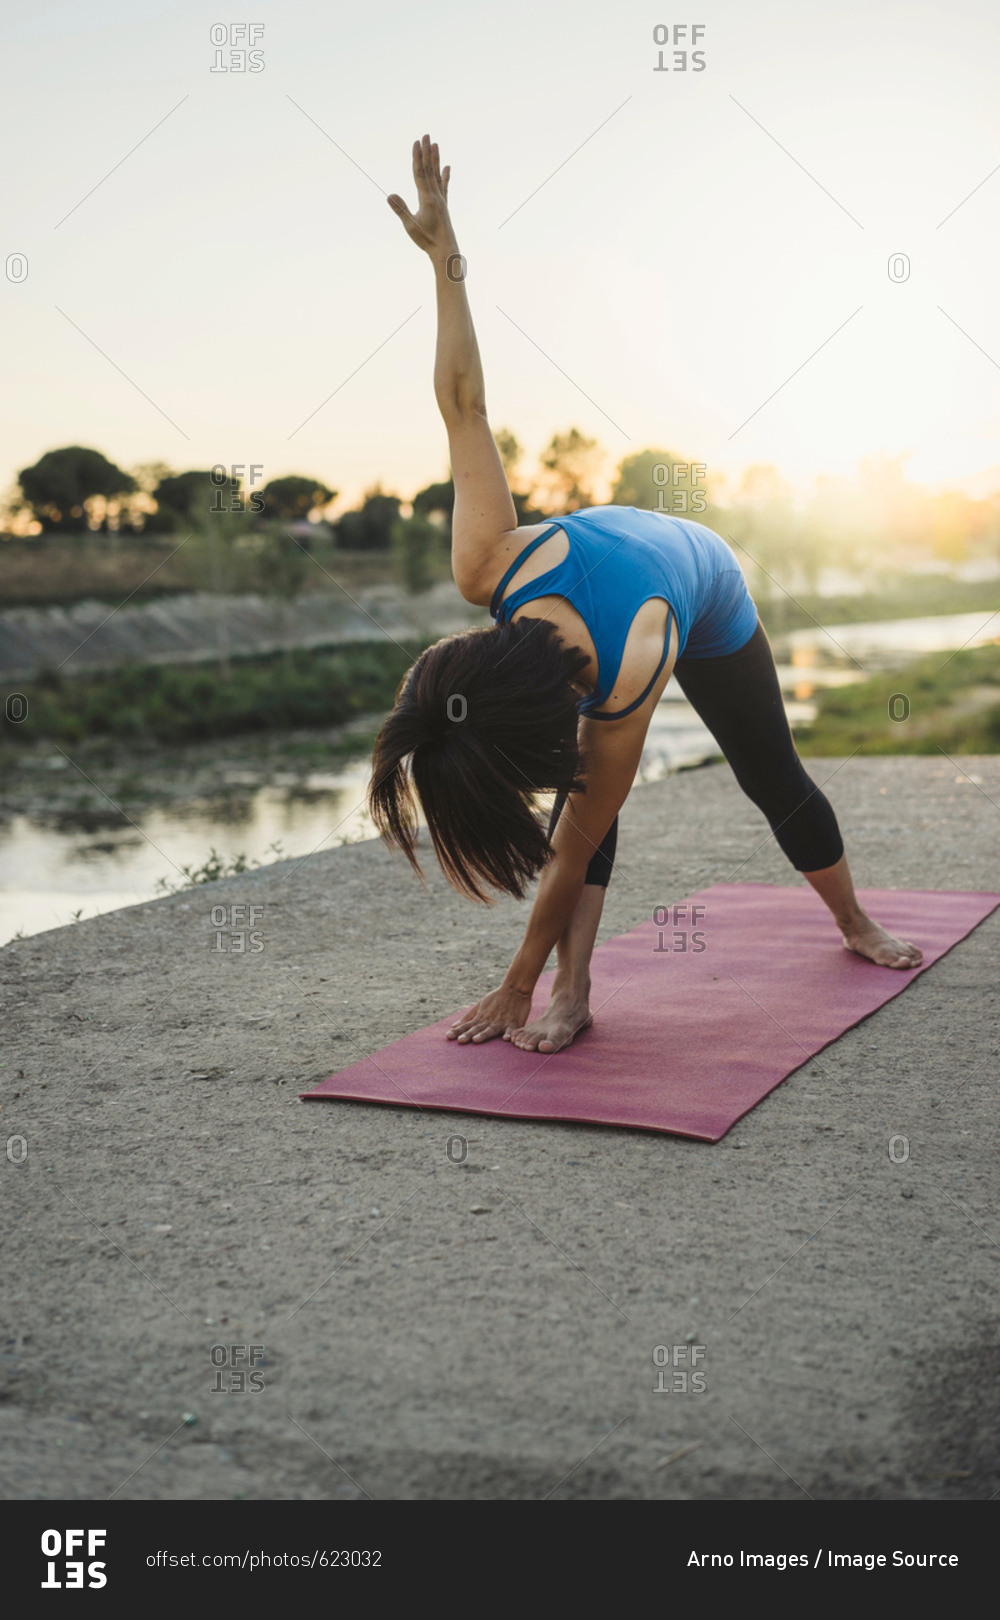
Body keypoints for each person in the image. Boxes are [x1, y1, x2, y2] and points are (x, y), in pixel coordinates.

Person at [368, 134, 922, 1056]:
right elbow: (463, 403)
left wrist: (512, 986)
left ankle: (854, 923)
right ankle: (576, 995)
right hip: (622, 573)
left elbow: (573, 847)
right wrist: (446, 258)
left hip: (702, 587)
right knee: (588, 807)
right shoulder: (486, 567)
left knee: (762, 774)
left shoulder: (628, 666)